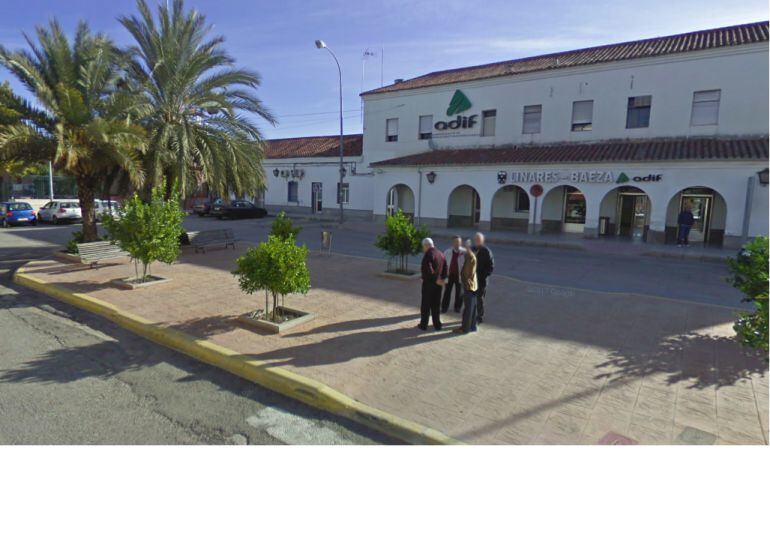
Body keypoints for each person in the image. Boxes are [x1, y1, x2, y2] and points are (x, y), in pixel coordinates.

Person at [418, 238, 446, 331]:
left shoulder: (428, 254)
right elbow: (445, 267)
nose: (423, 249)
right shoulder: (441, 254)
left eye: (423, 247)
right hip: (438, 285)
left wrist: (435, 279)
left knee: (426, 305)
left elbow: (428, 269)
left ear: (426, 245)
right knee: (436, 305)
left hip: (429, 284)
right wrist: (442, 279)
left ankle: (423, 325)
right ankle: (437, 324)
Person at [454, 239, 478, 334]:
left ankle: (465, 328)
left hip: (469, 286)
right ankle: (472, 326)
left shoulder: (470, 257)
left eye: (466, 246)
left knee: (468, 309)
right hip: (473, 285)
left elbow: (466, 273)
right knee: (472, 308)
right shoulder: (471, 256)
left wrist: (462, 281)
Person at [473, 232, 494, 324]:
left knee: (479, 299)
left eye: (479, 239)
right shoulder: (472, 249)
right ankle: (472, 314)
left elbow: (490, 267)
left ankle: (480, 316)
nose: (477, 241)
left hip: (481, 281)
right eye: (476, 239)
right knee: (471, 298)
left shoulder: (486, 251)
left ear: (482, 240)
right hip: (471, 280)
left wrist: (483, 276)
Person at [441, 235, 466, 314]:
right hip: (450, 275)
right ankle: (444, 307)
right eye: (455, 242)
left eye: (458, 242)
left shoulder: (465, 252)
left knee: (459, 292)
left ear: (461, 243)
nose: (457, 244)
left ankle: (457, 307)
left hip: (460, 276)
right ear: (452, 243)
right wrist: (443, 275)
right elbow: (443, 264)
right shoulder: (447, 252)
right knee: (447, 291)